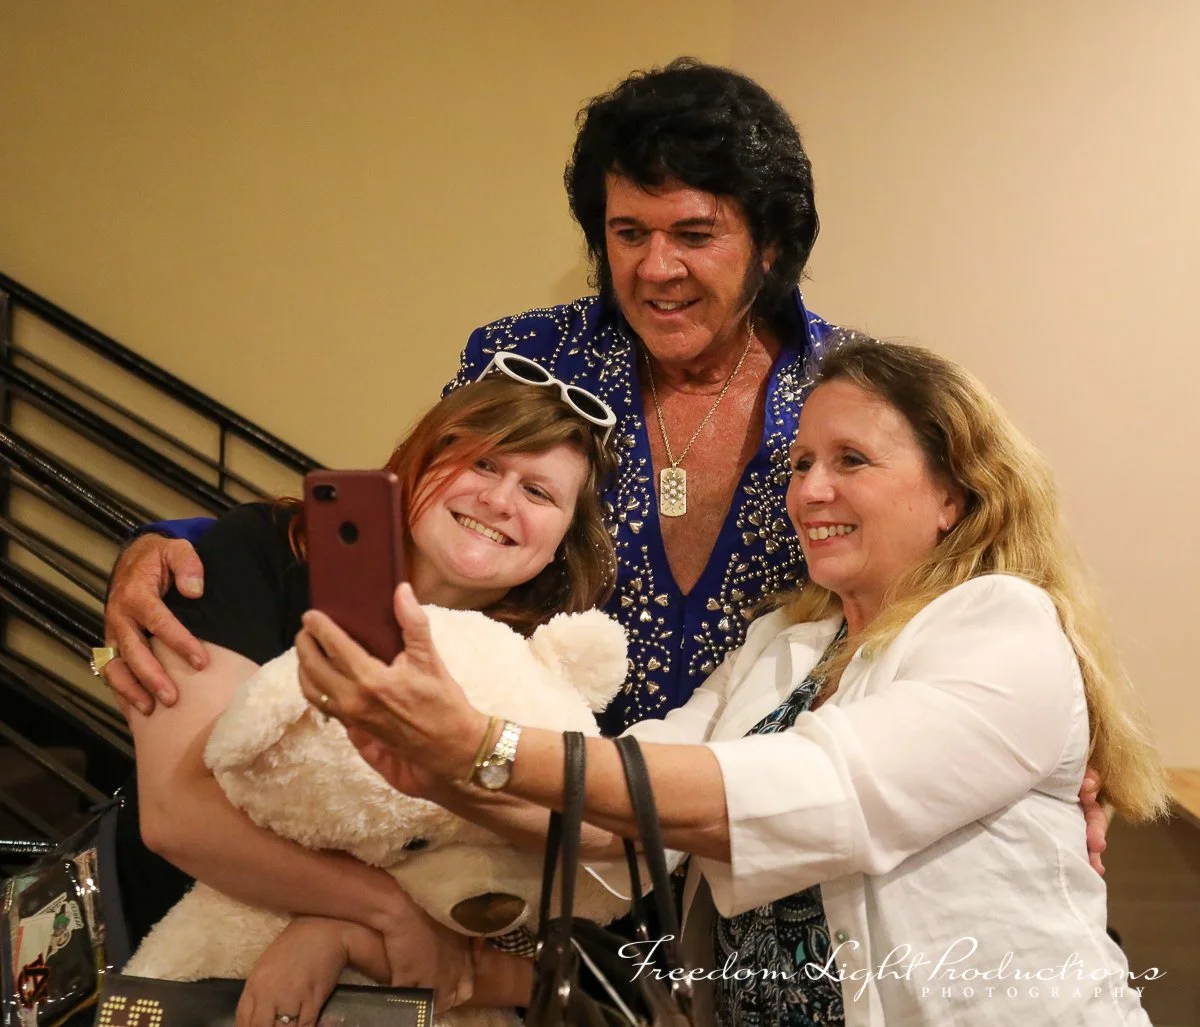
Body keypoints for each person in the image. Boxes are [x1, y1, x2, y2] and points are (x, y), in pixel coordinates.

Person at [96, 60, 1108, 854]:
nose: (654, 266)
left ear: (769, 245)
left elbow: (975, 571)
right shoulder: (525, 356)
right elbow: (434, 518)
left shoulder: (846, 397)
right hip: (514, 810)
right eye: (627, 231)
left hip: (754, 820)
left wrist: (1077, 754)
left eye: (695, 233)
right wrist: (180, 542)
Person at [296, 337, 1168, 1025]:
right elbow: (624, 819)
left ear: (954, 492)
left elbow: (818, 791)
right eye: (798, 463)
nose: (810, 489)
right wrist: (447, 770)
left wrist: (484, 746)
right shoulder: (780, 647)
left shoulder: (1003, 625)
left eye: (851, 460)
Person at [112, 366, 619, 1023]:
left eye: (539, 492)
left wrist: (340, 933)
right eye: (484, 462)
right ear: (420, 460)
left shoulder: (536, 673)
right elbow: (178, 812)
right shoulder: (264, 552)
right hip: (168, 959)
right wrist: (386, 911)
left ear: (560, 545)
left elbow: (534, 884)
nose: (500, 501)